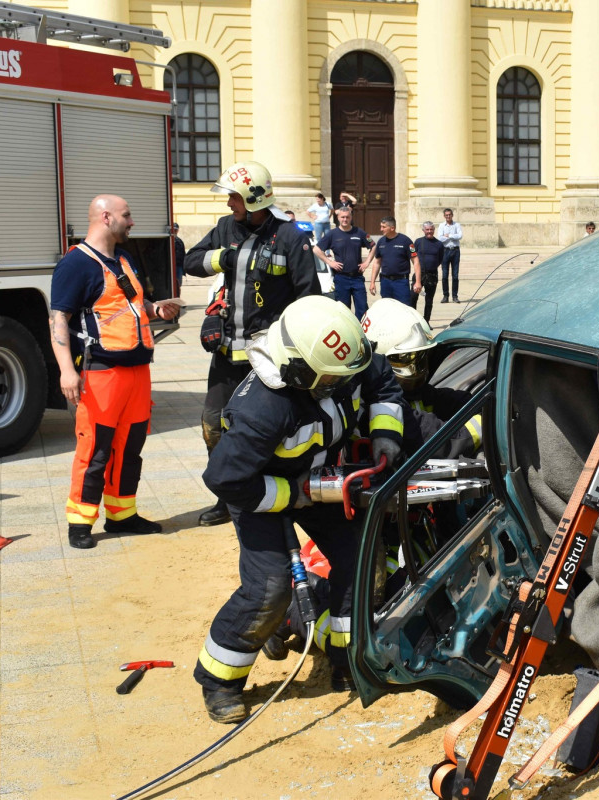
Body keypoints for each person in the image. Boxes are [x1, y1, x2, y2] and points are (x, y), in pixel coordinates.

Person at [194, 296, 405, 722]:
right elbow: (226, 480)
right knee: (270, 588)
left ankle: (349, 660)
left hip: (320, 481)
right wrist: (293, 493)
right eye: (331, 378)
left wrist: (386, 434)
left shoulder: (341, 359)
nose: (343, 383)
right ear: (298, 370)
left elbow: (381, 380)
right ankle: (220, 680)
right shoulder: (263, 408)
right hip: (260, 491)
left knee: (362, 561)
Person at [185, 161, 319, 527]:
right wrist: (220, 260)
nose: (229, 204)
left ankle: (260, 496)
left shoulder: (291, 238)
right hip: (228, 353)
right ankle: (226, 498)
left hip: (267, 359)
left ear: (253, 199)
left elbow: (309, 299)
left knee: (261, 432)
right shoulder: (225, 228)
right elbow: (191, 262)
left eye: (234, 197)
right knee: (213, 424)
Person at [49, 195, 179, 549]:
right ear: (106, 218)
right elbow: (58, 319)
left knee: (129, 447)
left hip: (137, 370)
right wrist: (66, 371)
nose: (132, 221)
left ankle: (122, 515)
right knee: (95, 449)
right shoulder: (75, 264)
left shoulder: (122, 258)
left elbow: (129, 307)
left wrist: (155, 309)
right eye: (127, 215)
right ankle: (80, 521)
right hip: (101, 373)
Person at [359, 298, 477, 455]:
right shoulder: (381, 408)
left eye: (421, 356)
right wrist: (491, 422)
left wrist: (488, 402)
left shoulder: (411, 393)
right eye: (406, 360)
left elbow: (442, 399)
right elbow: (446, 442)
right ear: (379, 361)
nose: (417, 369)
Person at [314, 206, 375, 319]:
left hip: (357, 278)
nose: (345, 219)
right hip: (341, 278)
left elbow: (373, 246)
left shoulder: (359, 232)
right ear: (338, 217)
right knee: (343, 310)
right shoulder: (333, 234)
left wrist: (367, 263)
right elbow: (316, 249)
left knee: (362, 308)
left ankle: (362, 334)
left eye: (347, 217)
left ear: (351, 217)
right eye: (342, 217)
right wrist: (330, 262)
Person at [366, 216, 422, 305]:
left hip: (401, 282)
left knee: (403, 308)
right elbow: (377, 263)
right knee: (387, 308)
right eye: (381, 226)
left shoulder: (405, 241)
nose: (381, 229)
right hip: (385, 282)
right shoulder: (381, 242)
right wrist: (372, 282)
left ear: (392, 228)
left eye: (384, 227)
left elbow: (416, 261)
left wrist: (418, 282)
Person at [413, 221, 444, 322]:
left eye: (431, 229)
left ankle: (426, 321)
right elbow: (413, 257)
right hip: (419, 274)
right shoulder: (418, 242)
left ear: (434, 230)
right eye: (427, 229)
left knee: (429, 300)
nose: (429, 231)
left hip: (432, 275)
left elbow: (440, 259)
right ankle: (414, 321)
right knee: (413, 298)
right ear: (423, 230)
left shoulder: (439, 244)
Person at [438, 207, 463, 303]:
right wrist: (452, 236)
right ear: (444, 216)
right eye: (446, 215)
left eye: (450, 215)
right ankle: (445, 296)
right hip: (445, 251)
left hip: (455, 251)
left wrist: (449, 235)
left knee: (455, 275)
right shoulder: (441, 226)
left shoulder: (457, 225)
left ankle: (455, 296)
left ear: (452, 215)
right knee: (444, 275)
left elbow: (460, 236)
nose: (448, 216)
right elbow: (440, 238)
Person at [173, 221, 186, 296]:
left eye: (176, 230)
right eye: (173, 230)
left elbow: (183, 254)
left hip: (179, 266)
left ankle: (178, 299)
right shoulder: (169, 240)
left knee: (178, 284)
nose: (175, 231)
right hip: (172, 267)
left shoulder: (179, 241)